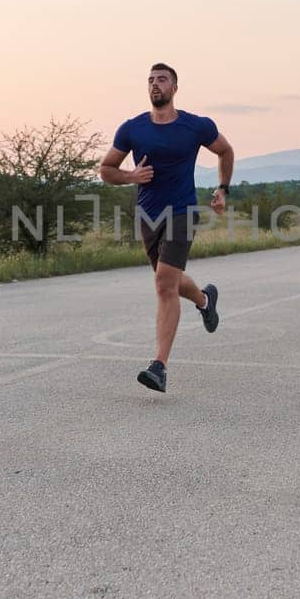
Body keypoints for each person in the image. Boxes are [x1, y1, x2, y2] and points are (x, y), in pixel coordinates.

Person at [99, 63, 235, 391]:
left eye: (162, 80)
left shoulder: (196, 126)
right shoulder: (132, 129)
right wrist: (130, 176)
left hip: (182, 211)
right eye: (150, 80)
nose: (155, 85)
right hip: (148, 215)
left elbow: (225, 150)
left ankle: (159, 366)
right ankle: (204, 300)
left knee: (163, 284)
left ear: (175, 88)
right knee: (168, 281)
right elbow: (106, 169)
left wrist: (222, 189)